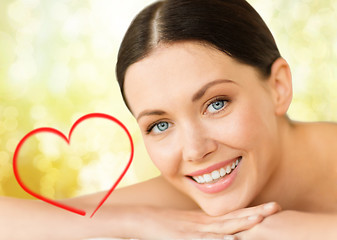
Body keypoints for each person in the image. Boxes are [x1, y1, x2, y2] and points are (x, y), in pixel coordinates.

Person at [1, 0, 336, 239]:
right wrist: (136, 222)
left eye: (216, 104)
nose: (193, 150)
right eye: (159, 125)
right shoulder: (190, 196)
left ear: (278, 87)